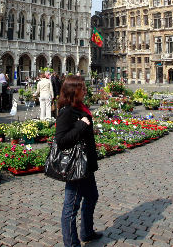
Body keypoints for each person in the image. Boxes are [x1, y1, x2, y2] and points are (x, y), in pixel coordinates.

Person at [54, 75, 101, 246]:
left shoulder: (80, 107)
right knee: (71, 207)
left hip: (86, 163)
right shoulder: (66, 111)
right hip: (75, 166)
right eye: (82, 87)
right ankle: (71, 243)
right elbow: (61, 140)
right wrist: (81, 125)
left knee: (92, 196)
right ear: (74, 90)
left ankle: (87, 232)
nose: (86, 90)